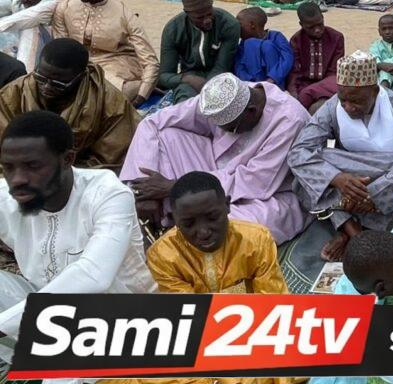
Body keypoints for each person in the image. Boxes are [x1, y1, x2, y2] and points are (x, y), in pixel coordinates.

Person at [0, 111, 156, 355]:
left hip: (124, 321)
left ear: (67, 159)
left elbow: (94, 275)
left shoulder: (108, 194)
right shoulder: (8, 196)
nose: (18, 179)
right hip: (52, 318)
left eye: (33, 166)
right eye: (8, 168)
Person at [121, 73, 309, 244]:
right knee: (164, 135)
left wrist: (175, 187)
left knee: (225, 226)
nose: (225, 132)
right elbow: (152, 123)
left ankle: (176, 221)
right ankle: (154, 209)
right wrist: (145, 193)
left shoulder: (290, 120)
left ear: (251, 111)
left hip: (269, 195)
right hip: (214, 172)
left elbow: (254, 183)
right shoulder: (225, 93)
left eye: (231, 129)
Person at [287, 51, 393, 261]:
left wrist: (375, 193)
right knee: (303, 177)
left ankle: (352, 228)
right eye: (344, 100)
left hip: (391, 181)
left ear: (374, 91)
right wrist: (337, 178)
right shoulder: (333, 106)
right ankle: (351, 229)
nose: (348, 107)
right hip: (349, 183)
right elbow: (299, 151)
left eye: (356, 101)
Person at [0, 38, 138, 170]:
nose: (46, 87)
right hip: (21, 169)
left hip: (83, 173)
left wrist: (61, 174)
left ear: (81, 76)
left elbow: (111, 158)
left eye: (58, 84)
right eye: (40, 78)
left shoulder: (111, 103)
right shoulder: (12, 94)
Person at [146, 171, 287, 294]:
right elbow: (186, 309)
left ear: (227, 205)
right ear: (174, 220)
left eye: (212, 218)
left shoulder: (257, 240)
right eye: (188, 224)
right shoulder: (163, 256)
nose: (203, 232)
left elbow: (273, 303)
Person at [51, 0, 158, 105]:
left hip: (115, 61)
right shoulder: (65, 6)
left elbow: (150, 61)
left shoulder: (124, 14)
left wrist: (142, 96)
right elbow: (61, 47)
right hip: (76, 62)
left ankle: (134, 87)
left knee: (105, 90)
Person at [158, 0, 241, 103]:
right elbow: (164, 75)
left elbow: (222, 66)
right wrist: (188, 79)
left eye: (209, 14)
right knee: (186, 103)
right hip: (189, 77)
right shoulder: (173, 30)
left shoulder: (229, 24)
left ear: (212, 4)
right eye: (200, 17)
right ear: (187, 13)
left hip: (222, 75)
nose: (207, 20)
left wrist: (207, 87)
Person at [0, 0, 68, 72]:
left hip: (59, 48)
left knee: (30, 28)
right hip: (21, 46)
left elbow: (33, 17)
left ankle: (25, 75)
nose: (23, 0)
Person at [287, 2, 345, 110]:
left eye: (320, 24)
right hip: (304, 86)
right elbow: (295, 72)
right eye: (311, 27)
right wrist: (293, 92)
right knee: (297, 103)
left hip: (328, 84)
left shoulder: (336, 37)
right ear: (301, 24)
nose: (317, 30)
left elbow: (334, 71)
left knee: (318, 106)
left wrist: (317, 90)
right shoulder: (296, 40)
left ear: (322, 17)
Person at [234, 6, 294, 88]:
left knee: (266, 46)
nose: (237, 28)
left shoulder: (276, 36)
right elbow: (239, 66)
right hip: (253, 84)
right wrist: (249, 82)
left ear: (252, 25)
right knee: (250, 44)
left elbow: (287, 58)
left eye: (240, 24)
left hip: (275, 83)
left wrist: (272, 78)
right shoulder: (243, 44)